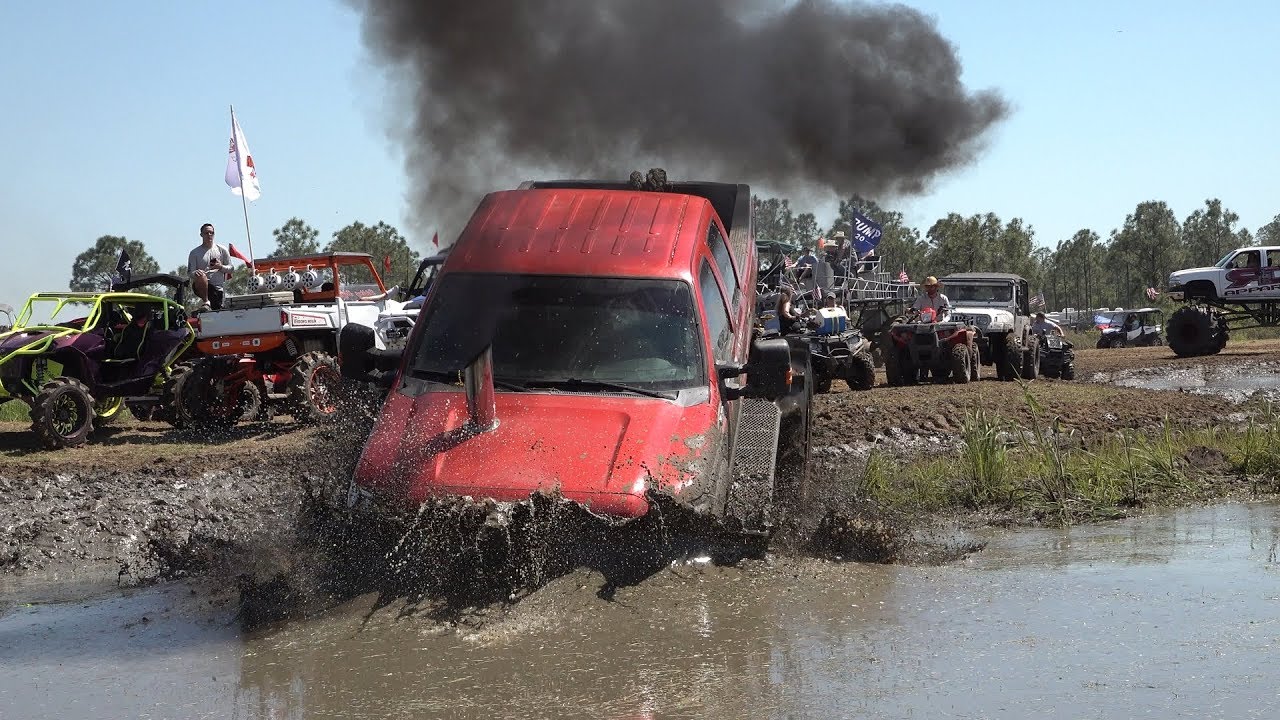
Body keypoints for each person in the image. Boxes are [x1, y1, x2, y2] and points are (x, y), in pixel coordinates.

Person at [188, 223, 233, 310]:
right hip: (201, 286)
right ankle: (206, 302)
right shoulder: (194, 253)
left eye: (211, 233)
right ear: (201, 235)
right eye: (206, 233)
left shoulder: (222, 250)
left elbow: (231, 268)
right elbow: (190, 272)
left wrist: (220, 267)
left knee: (217, 310)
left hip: (218, 289)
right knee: (201, 275)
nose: (209, 235)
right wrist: (196, 273)